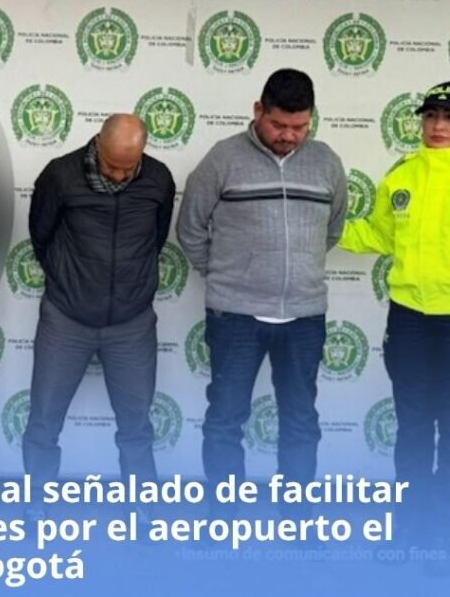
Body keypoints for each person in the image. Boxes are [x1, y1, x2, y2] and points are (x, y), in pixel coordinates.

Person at [177, 68, 347, 518]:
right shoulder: (223, 158)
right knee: (225, 420)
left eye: (300, 126)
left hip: (304, 315)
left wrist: (299, 267)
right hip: (236, 316)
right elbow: (190, 227)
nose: (288, 135)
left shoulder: (327, 162)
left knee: (301, 421)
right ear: (258, 111)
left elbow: (332, 230)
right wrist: (227, 275)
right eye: (278, 124)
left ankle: (297, 519)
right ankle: (224, 519)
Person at [23, 113, 175, 521]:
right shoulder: (60, 175)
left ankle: (142, 503)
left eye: (129, 167)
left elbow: (156, 238)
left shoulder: (159, 179)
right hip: (66, 319)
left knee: (136, 424)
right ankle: (37, 498)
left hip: (131, 323)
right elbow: (41, 235)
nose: (120, 175)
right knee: (44, 418)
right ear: (98, 144)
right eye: (111, 165)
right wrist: (69, 278)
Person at [340, 80, 450, 546]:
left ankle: (442, 529)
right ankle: (409, 524)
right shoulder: (401, 175)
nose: (438, 126)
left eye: (448, 118)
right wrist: (321, 227)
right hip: (409, 321)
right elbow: (379, 235)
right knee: (413, 425)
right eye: (431, 116)